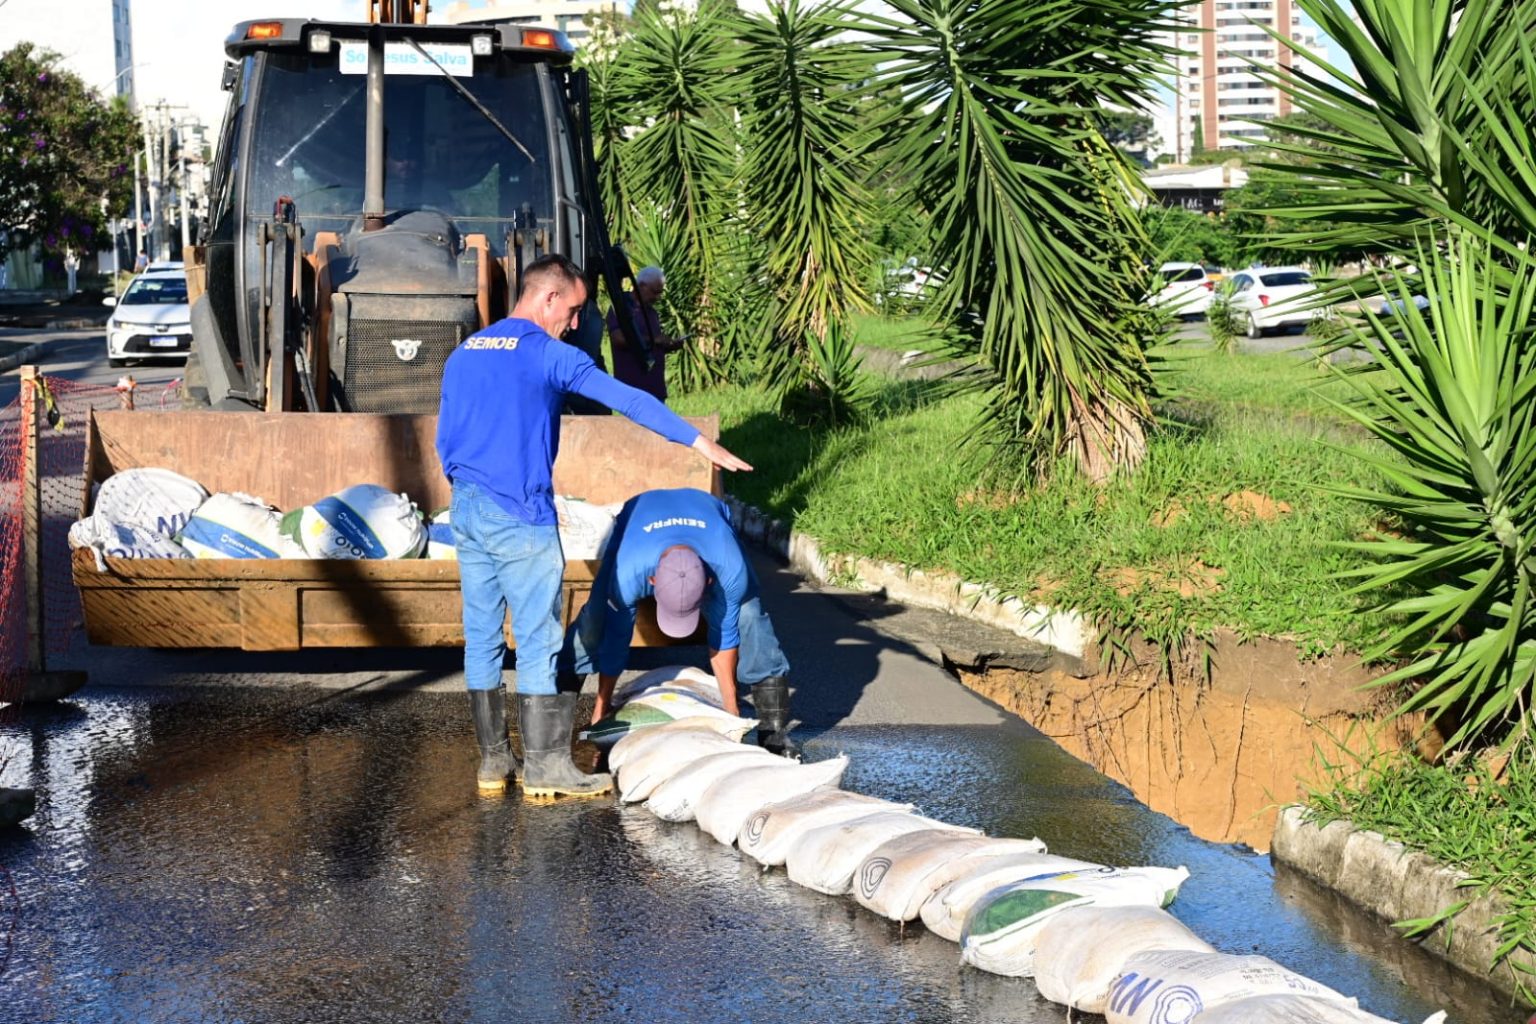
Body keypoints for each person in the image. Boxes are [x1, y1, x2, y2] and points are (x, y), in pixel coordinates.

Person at [436, 255, 751, 800]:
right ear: (549, 298)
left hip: (466, 507)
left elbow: (447, 434)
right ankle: (545, 768)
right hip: (520, 513)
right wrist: (699, 442)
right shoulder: (547, 353)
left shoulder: (467, 351)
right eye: (575, 309)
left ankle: (493, 763)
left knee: (482, 636)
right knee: (538, 641)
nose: (577, 322)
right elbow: (628, 399)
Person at [557, 487, 798, 757]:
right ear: (651, 581)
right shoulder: (629, 573)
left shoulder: (730, 569)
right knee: (595, 618)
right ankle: (555, 722)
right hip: (639, 511)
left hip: (707, 512)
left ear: (708, 581)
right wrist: (601, 708)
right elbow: (616, 640)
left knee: (750, 616)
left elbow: (725, 637)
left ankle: (773, 733)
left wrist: (731, 712)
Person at [607, 265, 686, 402]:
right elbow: (618, 338)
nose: (657, 297)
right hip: (633, 388)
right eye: (654, 292)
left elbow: (649, 346)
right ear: (641, 286)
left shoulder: (651, 312)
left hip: (654, 388)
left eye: (660, 293)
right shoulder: (621, 306)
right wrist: (655, 339)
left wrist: (670, 345)